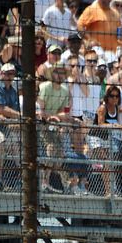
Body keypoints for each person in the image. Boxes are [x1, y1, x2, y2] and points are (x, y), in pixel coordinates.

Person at [38, 61, 71, 192]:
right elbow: (39, 110)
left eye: (63, 73)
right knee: (51, 149)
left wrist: (56, 118)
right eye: (58, 72)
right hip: (41, 126)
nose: (60, 76)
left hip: (54, 127)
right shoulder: (45, 87)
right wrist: (52, 117)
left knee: (60, 155)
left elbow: (64, 113)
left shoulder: (64, 90)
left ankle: (58, 183)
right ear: (52, 74)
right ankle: (44, 183)